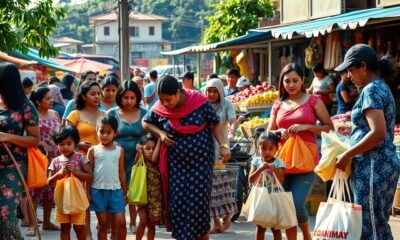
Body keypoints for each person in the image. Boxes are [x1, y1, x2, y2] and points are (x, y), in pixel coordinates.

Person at [142, 75, 230, 240]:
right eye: (162, 100)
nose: (165, 104)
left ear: (178, 92)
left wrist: (224, 146)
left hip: (201, 163)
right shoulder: (160, 107)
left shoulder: (199, 102)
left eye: (169, 99)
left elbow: (215, 123)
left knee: (199, 205)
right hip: (175, 165)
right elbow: (146, 122)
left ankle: (201, 236)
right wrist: (160, 133)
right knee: (178, 204)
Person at [335, 44, 400, 239]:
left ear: (363, 66)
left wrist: (347, 154)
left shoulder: (372, 90)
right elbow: (378, 127)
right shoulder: (379, 87)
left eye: (350, 69)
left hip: (374, 164)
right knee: (377, 224)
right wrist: (354, 129)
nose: (348, 75)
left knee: (369, 227)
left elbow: (378, 132)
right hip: (379, 164)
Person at [267, 63, 333, 240]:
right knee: (283, 205)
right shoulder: (278, 104)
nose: (291, 84)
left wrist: (307, 127)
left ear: (303, 80)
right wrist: (278, 132)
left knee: (296, 204)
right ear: (282, 83)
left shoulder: (313, 101)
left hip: (306, 161)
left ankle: (305, 234)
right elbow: (268, 132)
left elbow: (329, 127)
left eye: (295, 80)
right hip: (281, 162)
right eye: (287, 81)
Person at [0, 63, 40, 239]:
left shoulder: (25, 107)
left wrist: (6, 137)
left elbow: (34, 140)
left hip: (13, 165)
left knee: (5, 213)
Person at [66, 80, 105, 239]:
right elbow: (64, 138)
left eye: (98, 93)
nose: (97, 97)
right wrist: (77, 145)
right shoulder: (75, 114)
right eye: (93, 94)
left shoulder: (105, 115)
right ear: (83, 95)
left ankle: (103, 228)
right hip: (80, 163)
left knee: (101, 197)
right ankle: (87, 233)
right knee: (85, 200)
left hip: (101, 162)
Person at [107, 80, 147, 234]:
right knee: (117, 191)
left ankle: (132, 222)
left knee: (133, 190)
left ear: (137, 98)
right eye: (125, 97)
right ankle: (114, 221)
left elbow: (149, 136)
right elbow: (104, 134)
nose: (129, 101)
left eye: (132, 97)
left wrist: (143, 145)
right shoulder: (112, 113)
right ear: (120, 97)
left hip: (138, 160)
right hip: (116, 160)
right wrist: (114, 143)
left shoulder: (145, 113)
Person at [25, 87, 61, 236]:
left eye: (51, 97)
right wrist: (41, 144)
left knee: (50, 192)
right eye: (47, 98)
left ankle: (47, 221)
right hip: (38, 158)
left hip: (55, 157)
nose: (51, 100)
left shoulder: (54, 114)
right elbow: (27, 135)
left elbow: (60, 132)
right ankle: (33, 224)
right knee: (34, 191)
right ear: (38, 102)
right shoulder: (33, 115)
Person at [48, 125, 93, 240]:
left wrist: (76, 171)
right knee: (64, 228)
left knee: (79, 228)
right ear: (56, 144)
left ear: (75, 143)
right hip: (62, 202)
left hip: (78, 200)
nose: (65, 147)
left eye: (69, 143)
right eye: (61, 144)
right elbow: (49, 182)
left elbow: (90, 176)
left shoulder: (81, 159)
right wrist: (59, 174)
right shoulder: (55, 161)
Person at [204, 78, 237, 233]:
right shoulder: (203, 105)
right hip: (205, 150)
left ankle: (227, 216)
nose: (211, 94)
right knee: (209, 187)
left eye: (214, 91)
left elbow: (232, 121)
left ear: (220, 92)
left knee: (218, 184)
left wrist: (231, 132)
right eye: (209, 91)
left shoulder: (227, 104)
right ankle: (216, 221)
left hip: (221, 149)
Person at [88, 115, 127, 240]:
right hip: (97, 191)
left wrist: (125, 191)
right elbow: (89, 173)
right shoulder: (93, 150)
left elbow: (121, 172)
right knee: (103, 225)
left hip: (116, 191)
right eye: (102, 131)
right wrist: (87, 191)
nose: (104, 135)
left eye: (108, 132)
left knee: (121, 222)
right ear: (96, 131)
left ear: (115, 133)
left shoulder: (119, 151)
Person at [248, 131, 287, 240]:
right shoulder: (256, 161)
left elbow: (281, 181)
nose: (267, 152)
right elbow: (251, 179)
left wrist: (274, 169)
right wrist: (260, 169)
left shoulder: (279, 163)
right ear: (258, 148)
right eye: (263, 149)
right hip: (261, 199)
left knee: (276, 228)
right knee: (261, 227)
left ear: (277, 149)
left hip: (275, 198)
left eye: (271, 148)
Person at [135, 134, 164, 240]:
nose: (151, 151)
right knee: (143, 221)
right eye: (147, 148)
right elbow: (137, 158)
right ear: (142, 148)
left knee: (151, 225)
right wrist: (139, 151)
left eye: (153, 148)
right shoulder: (140, 161)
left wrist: (160, 141)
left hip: (155, 200)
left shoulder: (158, 162)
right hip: (142, 198)